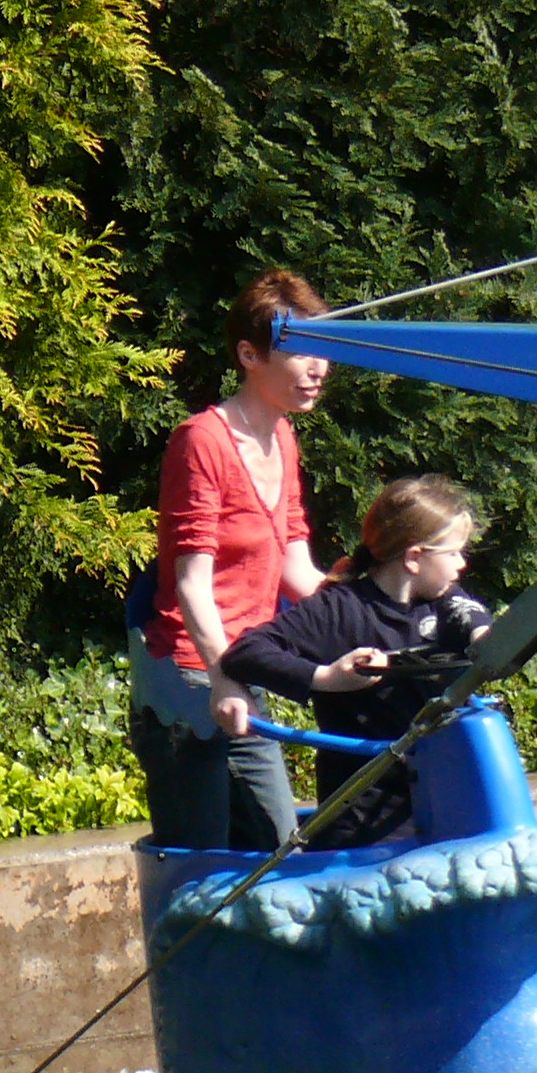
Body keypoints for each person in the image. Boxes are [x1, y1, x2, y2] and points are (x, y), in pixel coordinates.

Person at [131, 270, 335, 854]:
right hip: (189, 679)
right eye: (301, 353)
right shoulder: (202, 441)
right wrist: (222, 675)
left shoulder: (283, 437)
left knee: (279, 849)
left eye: (323, 352)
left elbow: (298, 570)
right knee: (200, 866)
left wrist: (372, 616)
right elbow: (190, 584)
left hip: (242, 670)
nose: (319, 368)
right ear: (249, 355)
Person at [216, 476, 494, 845]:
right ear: (414, 558)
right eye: (454, 552)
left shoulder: (444, 600)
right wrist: (326, 677)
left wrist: (486, 638)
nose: (462, 564)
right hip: (363, 823)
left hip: (440, 805)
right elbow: (246, 652)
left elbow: (471, 617)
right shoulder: (337, 609)